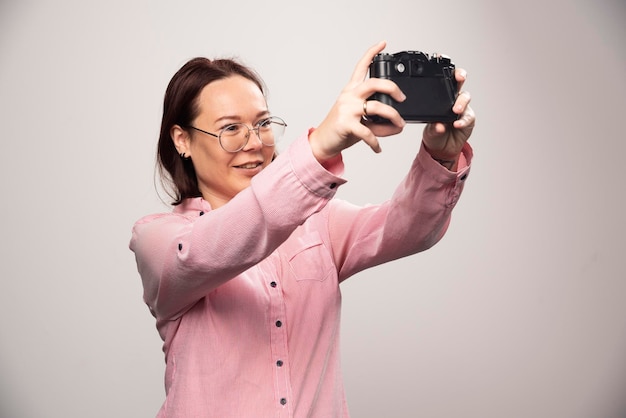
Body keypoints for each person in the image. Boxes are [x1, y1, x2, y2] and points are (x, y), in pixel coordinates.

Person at [129, 41, 475, 418]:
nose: (255, 143)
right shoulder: (159, 240)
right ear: (182, 140)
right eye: (230, 129)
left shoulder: (317, 224)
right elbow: (215, 247)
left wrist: (440, 154)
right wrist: (319, 146)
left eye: (262, 124)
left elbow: (408, 227)